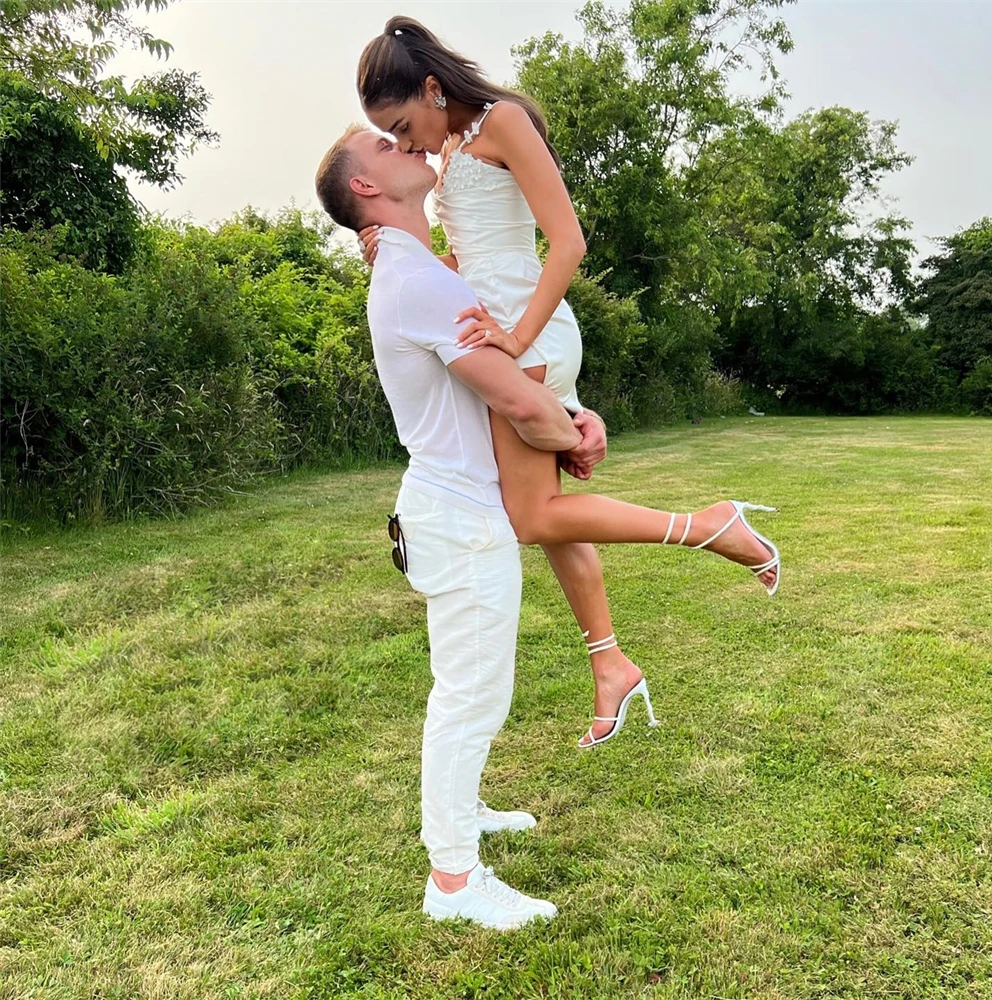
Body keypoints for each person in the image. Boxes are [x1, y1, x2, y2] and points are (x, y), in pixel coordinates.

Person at [314, 124, 780, 927]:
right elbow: (520, 401)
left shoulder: (420, 268)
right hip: (461, 521)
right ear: (366, 188)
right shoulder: (413, 279)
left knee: (470, 692)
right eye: (384, 146)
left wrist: (573, 419)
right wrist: (577, 433)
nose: (404, 144)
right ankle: (453, 881)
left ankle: (461, 816)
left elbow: (514, 390)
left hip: (456, 512)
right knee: (471, 697)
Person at [354, 17, 781, 749]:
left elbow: (569, 240)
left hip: (529, 331)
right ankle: (608, 661)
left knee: (532, 517)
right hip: (501, 331)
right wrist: (395, 250)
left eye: (402, 124)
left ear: (431, 89)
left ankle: (710, 527)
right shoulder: (452, 148)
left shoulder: (504, 122)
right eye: (389, 138)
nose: (406, 143)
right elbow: (475, 262)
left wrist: (518, 338)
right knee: (548, 512)